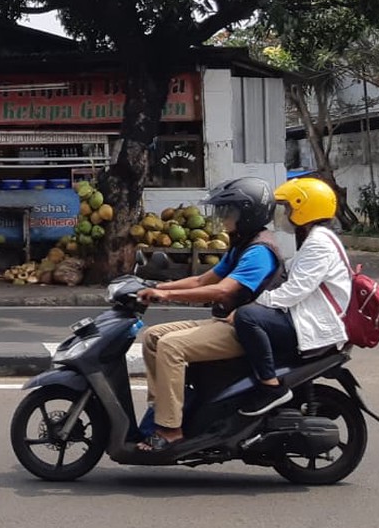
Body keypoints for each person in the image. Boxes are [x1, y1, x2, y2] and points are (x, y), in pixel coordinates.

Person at [134, 177, 283, 451]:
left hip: (242, 330)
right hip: (226, 322)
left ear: (248, 214)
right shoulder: (242, 244)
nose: (224, 219)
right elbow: (203, 281)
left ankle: (171, 431)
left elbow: (222, 291)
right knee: (153, 337)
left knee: (171, 346)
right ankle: (162, 412)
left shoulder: (260, 251)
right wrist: (155, 287)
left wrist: (168, 296)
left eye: (230, 212)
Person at [230, 177, 353, 417]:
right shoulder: (315, 238)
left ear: (304, 208)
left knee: (248, 317)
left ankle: (271, 387)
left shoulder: (319, 243)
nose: (285, 213)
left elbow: (295, 290)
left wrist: (254, 303)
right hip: (307, 314)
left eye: (289, 208)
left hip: (314, 324)